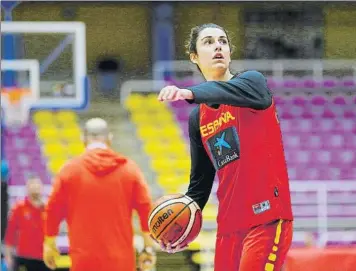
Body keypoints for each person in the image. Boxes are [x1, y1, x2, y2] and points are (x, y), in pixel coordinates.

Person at [157, 23, 294, 271]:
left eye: (222, 41)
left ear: (230, 52)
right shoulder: (198, 118)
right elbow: (199, 186)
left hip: (266, 219)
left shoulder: (252, 84)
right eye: (208, 42)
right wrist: (177, 230)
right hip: (229, 228)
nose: (218, 45)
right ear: (194, 57)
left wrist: (188, 92)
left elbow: (236, 93)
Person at [43, 118, 156, 271]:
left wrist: (49, 244)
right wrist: (148, 248)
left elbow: (52, 210)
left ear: (83, 139)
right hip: (121, 262)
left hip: (83, 261)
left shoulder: (69, 170)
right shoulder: (130, 169)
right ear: (110, 138)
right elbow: (146, 209)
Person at [4, 176, 50, 271]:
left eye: (37, 185)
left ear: (41, 188)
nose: (35, 187)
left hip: (44, 258)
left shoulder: (47, 208)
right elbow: (10, 234)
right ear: (27, 188)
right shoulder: (18, 208)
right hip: (23, 258)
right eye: (32, 185)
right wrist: (8, 256)